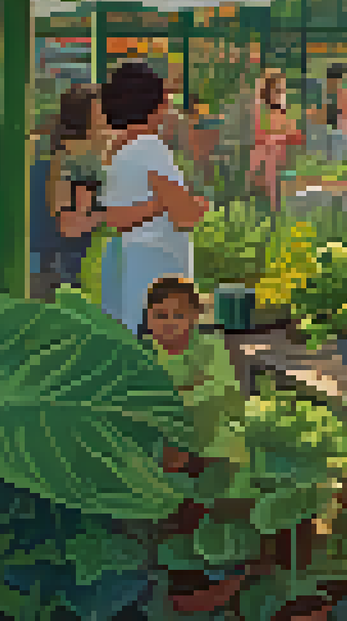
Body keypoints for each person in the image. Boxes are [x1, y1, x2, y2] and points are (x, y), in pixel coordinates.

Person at [96, 62, 209, 336]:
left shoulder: (116, 149)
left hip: (129, 257)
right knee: (161, 347)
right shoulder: (150, 148)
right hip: (159, 262)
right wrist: (191, 204)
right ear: (154, 106)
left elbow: (114, 217)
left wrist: (165, 203)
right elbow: (184, 216)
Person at [141, 276, 247, 466]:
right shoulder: (143, 351)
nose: (170, 322)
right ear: (148, 318)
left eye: (179, 315)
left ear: (194, 317)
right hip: (160, 436)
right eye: (161, 315)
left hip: (212, 433)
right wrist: (190, 388)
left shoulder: (211, 346)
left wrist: (173, 394)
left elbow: (220, 392)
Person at [30, 87, 107, 299]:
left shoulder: (58, 154)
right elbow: (71, 225)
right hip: (61, 271)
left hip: (42, 266)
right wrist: (117, 213)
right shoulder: (80, 159)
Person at [247, 69, 304, 212]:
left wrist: (282, 136)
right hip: (266, 160)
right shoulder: (261, 112)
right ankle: (272, 205)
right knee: (269, 151)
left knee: (272, 150)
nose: (281, 95)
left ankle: (275, 206)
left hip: (282, 159)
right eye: (278, 90)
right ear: (267, 92)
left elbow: (297, 136)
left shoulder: (283, 112)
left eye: (283, 91)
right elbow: (259, 137)